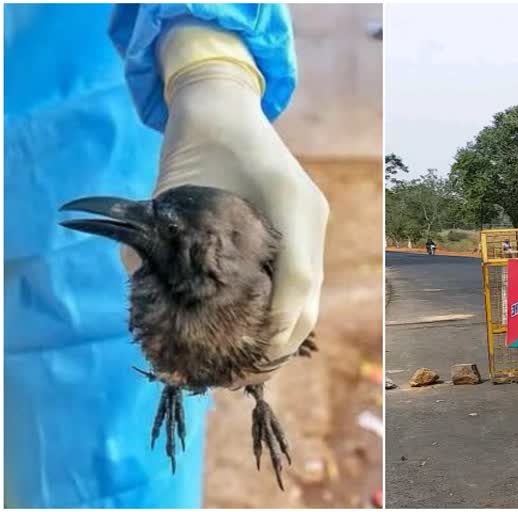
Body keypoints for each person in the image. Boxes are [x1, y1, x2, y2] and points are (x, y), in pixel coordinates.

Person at [5, 4, 328, 508]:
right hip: (45, 129)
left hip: (91, 97)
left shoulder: (226, 283)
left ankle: (249, 399)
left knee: (104, 456)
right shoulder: (157, 280)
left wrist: (208, 53)